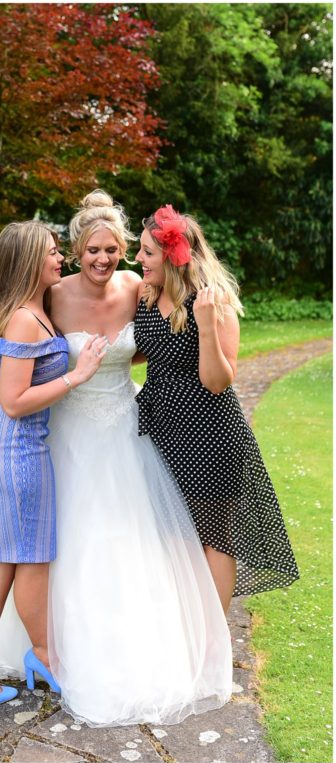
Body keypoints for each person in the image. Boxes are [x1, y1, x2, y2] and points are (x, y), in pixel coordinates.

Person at [0, 191, 233, 726]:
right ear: (77, 250)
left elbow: (165, 333)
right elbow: (13, 344)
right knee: (42, 542)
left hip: (124, 430)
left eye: (112, 250)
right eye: (91, 251)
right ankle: (35, 647)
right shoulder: (51, 296)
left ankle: (122, 638)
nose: (103, 260)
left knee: (124, 535)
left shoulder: (138, 289)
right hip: (60, 431)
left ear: (126, 251)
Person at [0, 219, 107, 706]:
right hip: (13, 446)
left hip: (10, 443)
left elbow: (5, 378)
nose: (61, 258)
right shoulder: (22, 317)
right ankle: (16, 657)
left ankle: (10, 657)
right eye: (53, 252)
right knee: (24, 559)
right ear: (29, 261)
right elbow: (14, 401)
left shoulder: (34, 309)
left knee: (15, 558)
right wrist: (78, 376)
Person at [134, 204, 299, 610]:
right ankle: (185, 630)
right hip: (162, 429)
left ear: (172, 257)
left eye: (146, 252)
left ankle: (213, 643)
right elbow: (137, 351)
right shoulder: (147, 294)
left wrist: (205, 325)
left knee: (213, 534)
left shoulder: (213, 301)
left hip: (209, 434)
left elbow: (217, 381)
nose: (137, 259)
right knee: (173, 533)